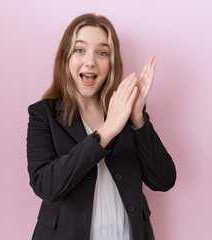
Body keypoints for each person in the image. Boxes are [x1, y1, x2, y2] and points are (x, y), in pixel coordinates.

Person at [26, 13, 176, 240]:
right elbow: (46, 185)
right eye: (80, 50)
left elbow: (163, 180)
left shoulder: (127, 110)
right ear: (65, 58)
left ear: (111, 64)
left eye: (102, 53)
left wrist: (137, 118)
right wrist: (105, 132)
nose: (90, 61)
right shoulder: (43, 114)